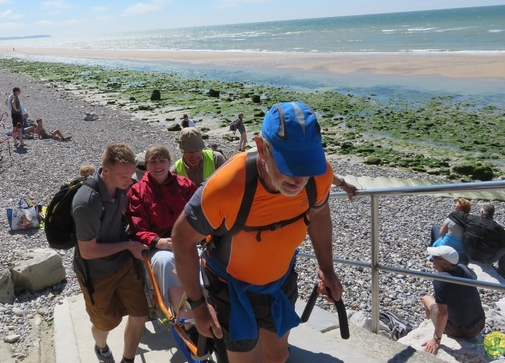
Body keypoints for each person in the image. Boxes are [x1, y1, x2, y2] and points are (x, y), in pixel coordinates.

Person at [171, 101, 357, 363]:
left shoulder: (319, 175)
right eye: (289, 165)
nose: (299, 179)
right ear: (261, 148)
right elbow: (181, 238)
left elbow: (319, 214)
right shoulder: (227, 186)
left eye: (306, 165)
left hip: (280, 282)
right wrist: (199, 305)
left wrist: (326, 268)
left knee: (278, 356)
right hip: (229, 288)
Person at [72, 143, 149, 363]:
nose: (129, 180)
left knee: (139, 313)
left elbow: (127, 207)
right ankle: (101, 347)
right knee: (105, 323)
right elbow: (88, 251)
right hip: (96, 272)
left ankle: (128, 359)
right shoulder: (87, 203)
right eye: (124, 176)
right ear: (105, 171)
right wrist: (128, 246)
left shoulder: (121, 185)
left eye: (131, 174)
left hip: (123, 264)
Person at [127, 145, 197, 313]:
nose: (158, 166)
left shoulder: (185, 184)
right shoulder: (137, 191)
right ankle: (182, 315)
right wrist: (158, 241)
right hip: (157, 245)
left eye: (162, 161)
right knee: (166, 261)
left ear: (169, 162)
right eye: (153, 162)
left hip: (186, 240)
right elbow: (137, 227)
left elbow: (199, 213)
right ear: (146, 165)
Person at [421, 246, 485, 355]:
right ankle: (431, 318)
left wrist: (436, 340)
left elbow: (443, 314)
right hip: (479, 325)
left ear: (445, 264)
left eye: (435, 257)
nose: (431, 259)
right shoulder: (463, 268)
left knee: (425, 298)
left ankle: (429, 321)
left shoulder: (440, 279)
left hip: (460, 331)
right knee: (438, 299)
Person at [462, 203, 505, 275]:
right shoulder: (497, 227)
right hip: (487, 258)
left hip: (468, 252)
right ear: (492, 214)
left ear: (482, 211)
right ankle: (502, 270)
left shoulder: (472, 219)